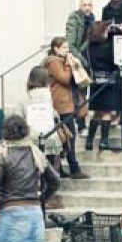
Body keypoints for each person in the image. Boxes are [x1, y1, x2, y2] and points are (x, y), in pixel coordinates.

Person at [19, 65, 67, 209]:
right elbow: (55, 116)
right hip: (51, 139)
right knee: (51, 174)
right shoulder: (49, 95)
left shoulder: (25, 98)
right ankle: (46, 200)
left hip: (31, 141)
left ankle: (35, 202)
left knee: (34, 176)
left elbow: (18, 118)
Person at [45, 38, 89, 179]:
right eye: (64, 48)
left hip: (69, 101)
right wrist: (69, 66)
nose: (67, 50)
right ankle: (73, 167)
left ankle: (60, 168)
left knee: (67, 136)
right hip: (61, 103)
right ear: (56, 49)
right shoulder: (53, 62)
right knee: (68, 136)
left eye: (67, 47)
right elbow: (64, 78)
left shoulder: (61, 61)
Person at [86, 21, 122, 151]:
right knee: (106, 112)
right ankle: (104, 141)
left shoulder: (90, 47)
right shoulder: (108, 47)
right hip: (108, 81)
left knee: (96, 113)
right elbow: (115, 62)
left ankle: (89, 140)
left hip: (96, 81)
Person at [65, 0, 95, 65]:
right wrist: (81, 59)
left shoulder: (92, 19)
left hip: (88, 54)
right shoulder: (74, 18)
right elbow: (70, 44)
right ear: (80, 7)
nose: (87, 8)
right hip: (77, 55)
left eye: (89, 5)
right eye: (84, 5)